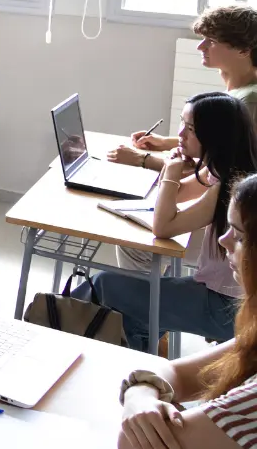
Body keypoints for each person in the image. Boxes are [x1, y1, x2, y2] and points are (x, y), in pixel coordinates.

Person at [78, 92, 257, 352]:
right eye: (182, 123)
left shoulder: (229, 186)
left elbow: (164, 227)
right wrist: (172, 171)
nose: (181, 134)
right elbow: (179, 193)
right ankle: (139, 360)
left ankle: (49, 327)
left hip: (224, 307)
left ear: (214, 135)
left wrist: (171, 170)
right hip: (217, 295)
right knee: (132, 316)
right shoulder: (225, 166)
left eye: (191, 128)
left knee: (105, 284)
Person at [115, 173, 257, 449]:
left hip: (213, 304)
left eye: (239, 237)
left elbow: (130, 442)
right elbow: (176, 373)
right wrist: (140, 395)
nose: (223, 241)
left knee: (107, 288)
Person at [112, 4, 257, 169]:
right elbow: (221, 145)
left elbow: (224, 172)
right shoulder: (240, 89)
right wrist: (166, 142)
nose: (200, 46)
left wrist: (143, 160)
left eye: (212, 41)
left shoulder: (250, 101)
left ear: (243, 50)